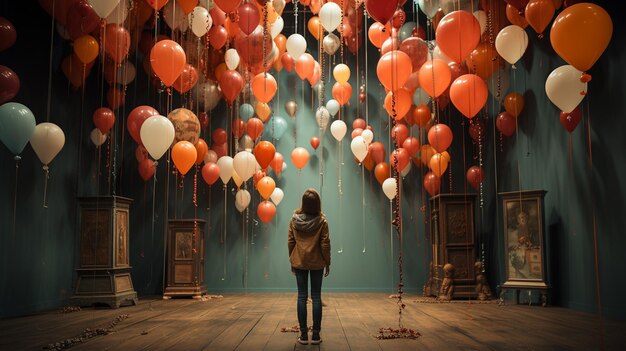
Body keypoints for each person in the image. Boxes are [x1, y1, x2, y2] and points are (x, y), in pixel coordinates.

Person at [288, 188, 331, 345]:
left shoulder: (294, 221)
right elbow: (325, 244)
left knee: (301, 297)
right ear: (317, 203)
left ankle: (304, 335)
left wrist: (292, 260)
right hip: (317, 263)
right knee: (316, 297)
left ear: (303, 203)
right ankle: (316, 335)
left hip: (299, 262)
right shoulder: (322, 221)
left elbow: (291, 242)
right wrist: (327, 263)